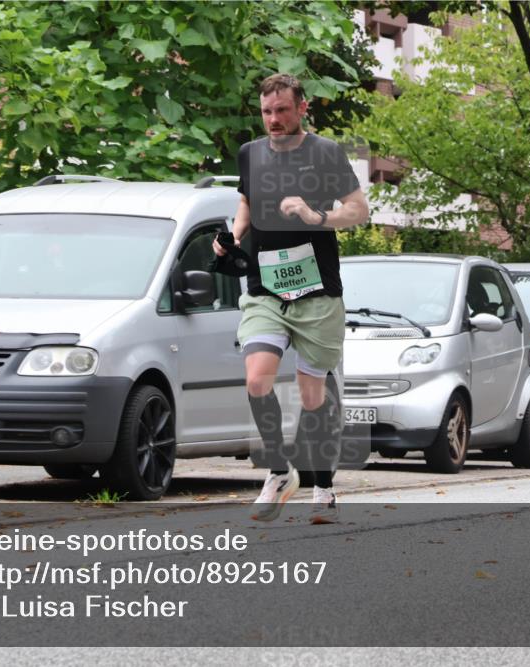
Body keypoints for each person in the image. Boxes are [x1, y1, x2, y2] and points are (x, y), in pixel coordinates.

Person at [212, 73, 369, 524]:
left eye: (282, 110)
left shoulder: (325, 153)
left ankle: (322, 487)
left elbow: (358, 210)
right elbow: (246, 202)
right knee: (257, 379)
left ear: (302, 108)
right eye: (266, 112)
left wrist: (313, 214)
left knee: (311, 394)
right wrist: (232, 236)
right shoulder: (251, 154)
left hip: (317, 291)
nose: (274, 120)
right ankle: (279, 473)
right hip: (265, 288)